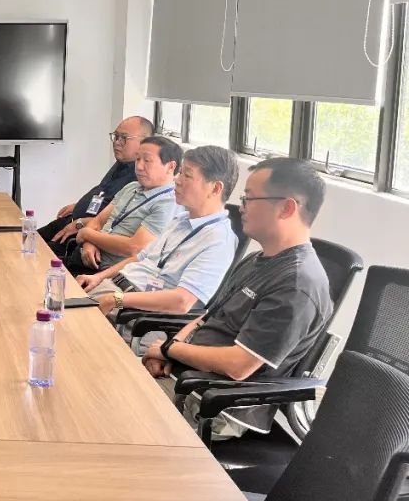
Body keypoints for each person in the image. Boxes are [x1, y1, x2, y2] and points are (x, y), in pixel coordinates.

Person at [141, 157, 332, 439]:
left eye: (250, 198)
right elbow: (206, 318)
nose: (241, 206)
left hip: (214, 406)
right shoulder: (257, 259)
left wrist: (170, 350)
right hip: (184, 377)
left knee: (106, 402)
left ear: (287, 208)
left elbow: (238, 365)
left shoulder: (297, 285)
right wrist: (172, 350)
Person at [77, 145, 239, 321]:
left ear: (215, 188)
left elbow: (182, 301)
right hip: (114, 289)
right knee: (58, 302)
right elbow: (139, 257)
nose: (177, 179)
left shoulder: (219, 240)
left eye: (187, 175)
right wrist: (98, 277)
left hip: (134, 312)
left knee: (65, 323)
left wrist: (115, 300)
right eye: (180, 173)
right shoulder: (181, 220)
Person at [62, 135, 182, 275]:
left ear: (170, 166)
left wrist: (86, 234)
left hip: (107, 274)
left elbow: (134, 248)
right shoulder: (131, 187)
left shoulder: (168, 203)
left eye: (147, 161)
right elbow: (98, 221)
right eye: (138, 159)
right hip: (84, 257)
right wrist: (88, 243)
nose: (139, 166)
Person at [39, 116, 153, 256]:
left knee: (35, 253)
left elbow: (117, 220)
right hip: (73, 220)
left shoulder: (140, 178)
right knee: (25, 237)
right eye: (116, 136)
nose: (117, 142)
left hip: (82, 233)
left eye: (123, 138)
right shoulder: (122, 163)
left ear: (144, 142)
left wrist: (81, 224)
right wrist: (79, 205)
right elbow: (103, 192)